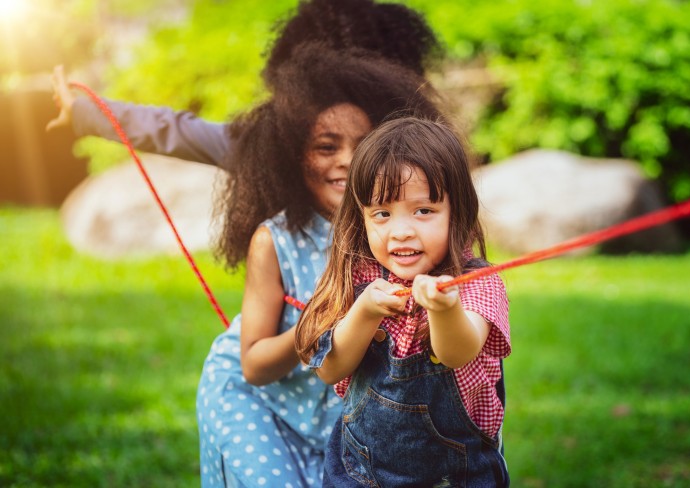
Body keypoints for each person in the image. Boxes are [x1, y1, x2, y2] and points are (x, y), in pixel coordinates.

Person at [197, 46, 442, 487]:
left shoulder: (394, 235)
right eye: (326, 147)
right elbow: (252, 365)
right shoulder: (274, 239)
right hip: (259, 406)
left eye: (363, 144)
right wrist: (324, 323)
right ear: (291, 157)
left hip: (343, 420)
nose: (347, 160)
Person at [295, 117, 511, 487]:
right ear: (362, 217)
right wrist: (364, 312)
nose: (401, 230)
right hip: (358, 475)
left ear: (455, 211)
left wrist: (445, 309)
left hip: (457, 477)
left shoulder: (476, 282)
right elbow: (329, 370)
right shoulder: (357, 278)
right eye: (382, 213)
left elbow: (459, 351)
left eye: (423, 211)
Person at [45, 0, 439, 169]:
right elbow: (178, 131)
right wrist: (86, 113)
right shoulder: (269, 149)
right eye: (327, 141)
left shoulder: (417, 161)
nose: (346, 160)